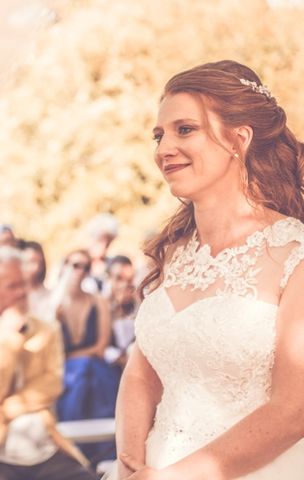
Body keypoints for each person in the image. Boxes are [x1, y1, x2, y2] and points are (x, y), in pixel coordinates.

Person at [109, 60, 304, 480]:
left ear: (239, 139)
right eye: (159, 135)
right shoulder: (172, 254)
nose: (163, 149)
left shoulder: (296, 255)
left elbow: (295, 411)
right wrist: (129, 462)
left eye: (185, 129)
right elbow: (141, 374)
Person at [0, 247, 96, 480]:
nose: (22, 293)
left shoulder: (47, 328)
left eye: (24, 284)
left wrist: (0, 409)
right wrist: (6, 337)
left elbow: (51, 386)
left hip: (44, 446)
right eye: (12, 286)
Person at [55, 250, 120, 465]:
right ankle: (76, 449)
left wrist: (76, 358)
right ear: (64, 266)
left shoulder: (98, 302)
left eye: (85, 267)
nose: (80, 271)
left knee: (88, 371)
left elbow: (101, 346)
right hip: (65, 371)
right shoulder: (53, 305)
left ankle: (97, 452)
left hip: (92, 367)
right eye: (75, 265)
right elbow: (52, 350)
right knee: (82, 374)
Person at [103, 256, 137, 369]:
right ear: (108, 278)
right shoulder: (100, 305)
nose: (124, 284)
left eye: (129, 279)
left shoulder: (139, 305)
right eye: (119, 278)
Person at [81, 214, 120, 296]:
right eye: (100, 240)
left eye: (108, 242)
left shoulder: (113, 265)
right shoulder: (77, 262)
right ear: (92, 238)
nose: (104, 246)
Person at [21, 240, 53, 321]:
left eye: (38, 262)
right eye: (28, 261)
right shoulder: (12, 296)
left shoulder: (51, 296)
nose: (35, 267)